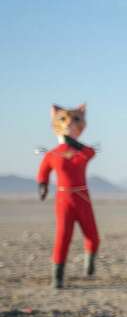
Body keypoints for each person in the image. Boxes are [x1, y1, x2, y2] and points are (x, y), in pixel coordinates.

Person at [37, 104, 100, 289]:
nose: (70, 125)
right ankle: (57, 277)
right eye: (64, 121)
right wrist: (42, 184)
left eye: (75, 121)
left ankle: (90, 262)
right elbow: (43, 172)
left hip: (82, 198)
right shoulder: (52, 154)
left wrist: (74, 144)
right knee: (63, 237)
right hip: (64, 199)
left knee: (93, 236)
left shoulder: (83, 152)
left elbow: (91, 152)